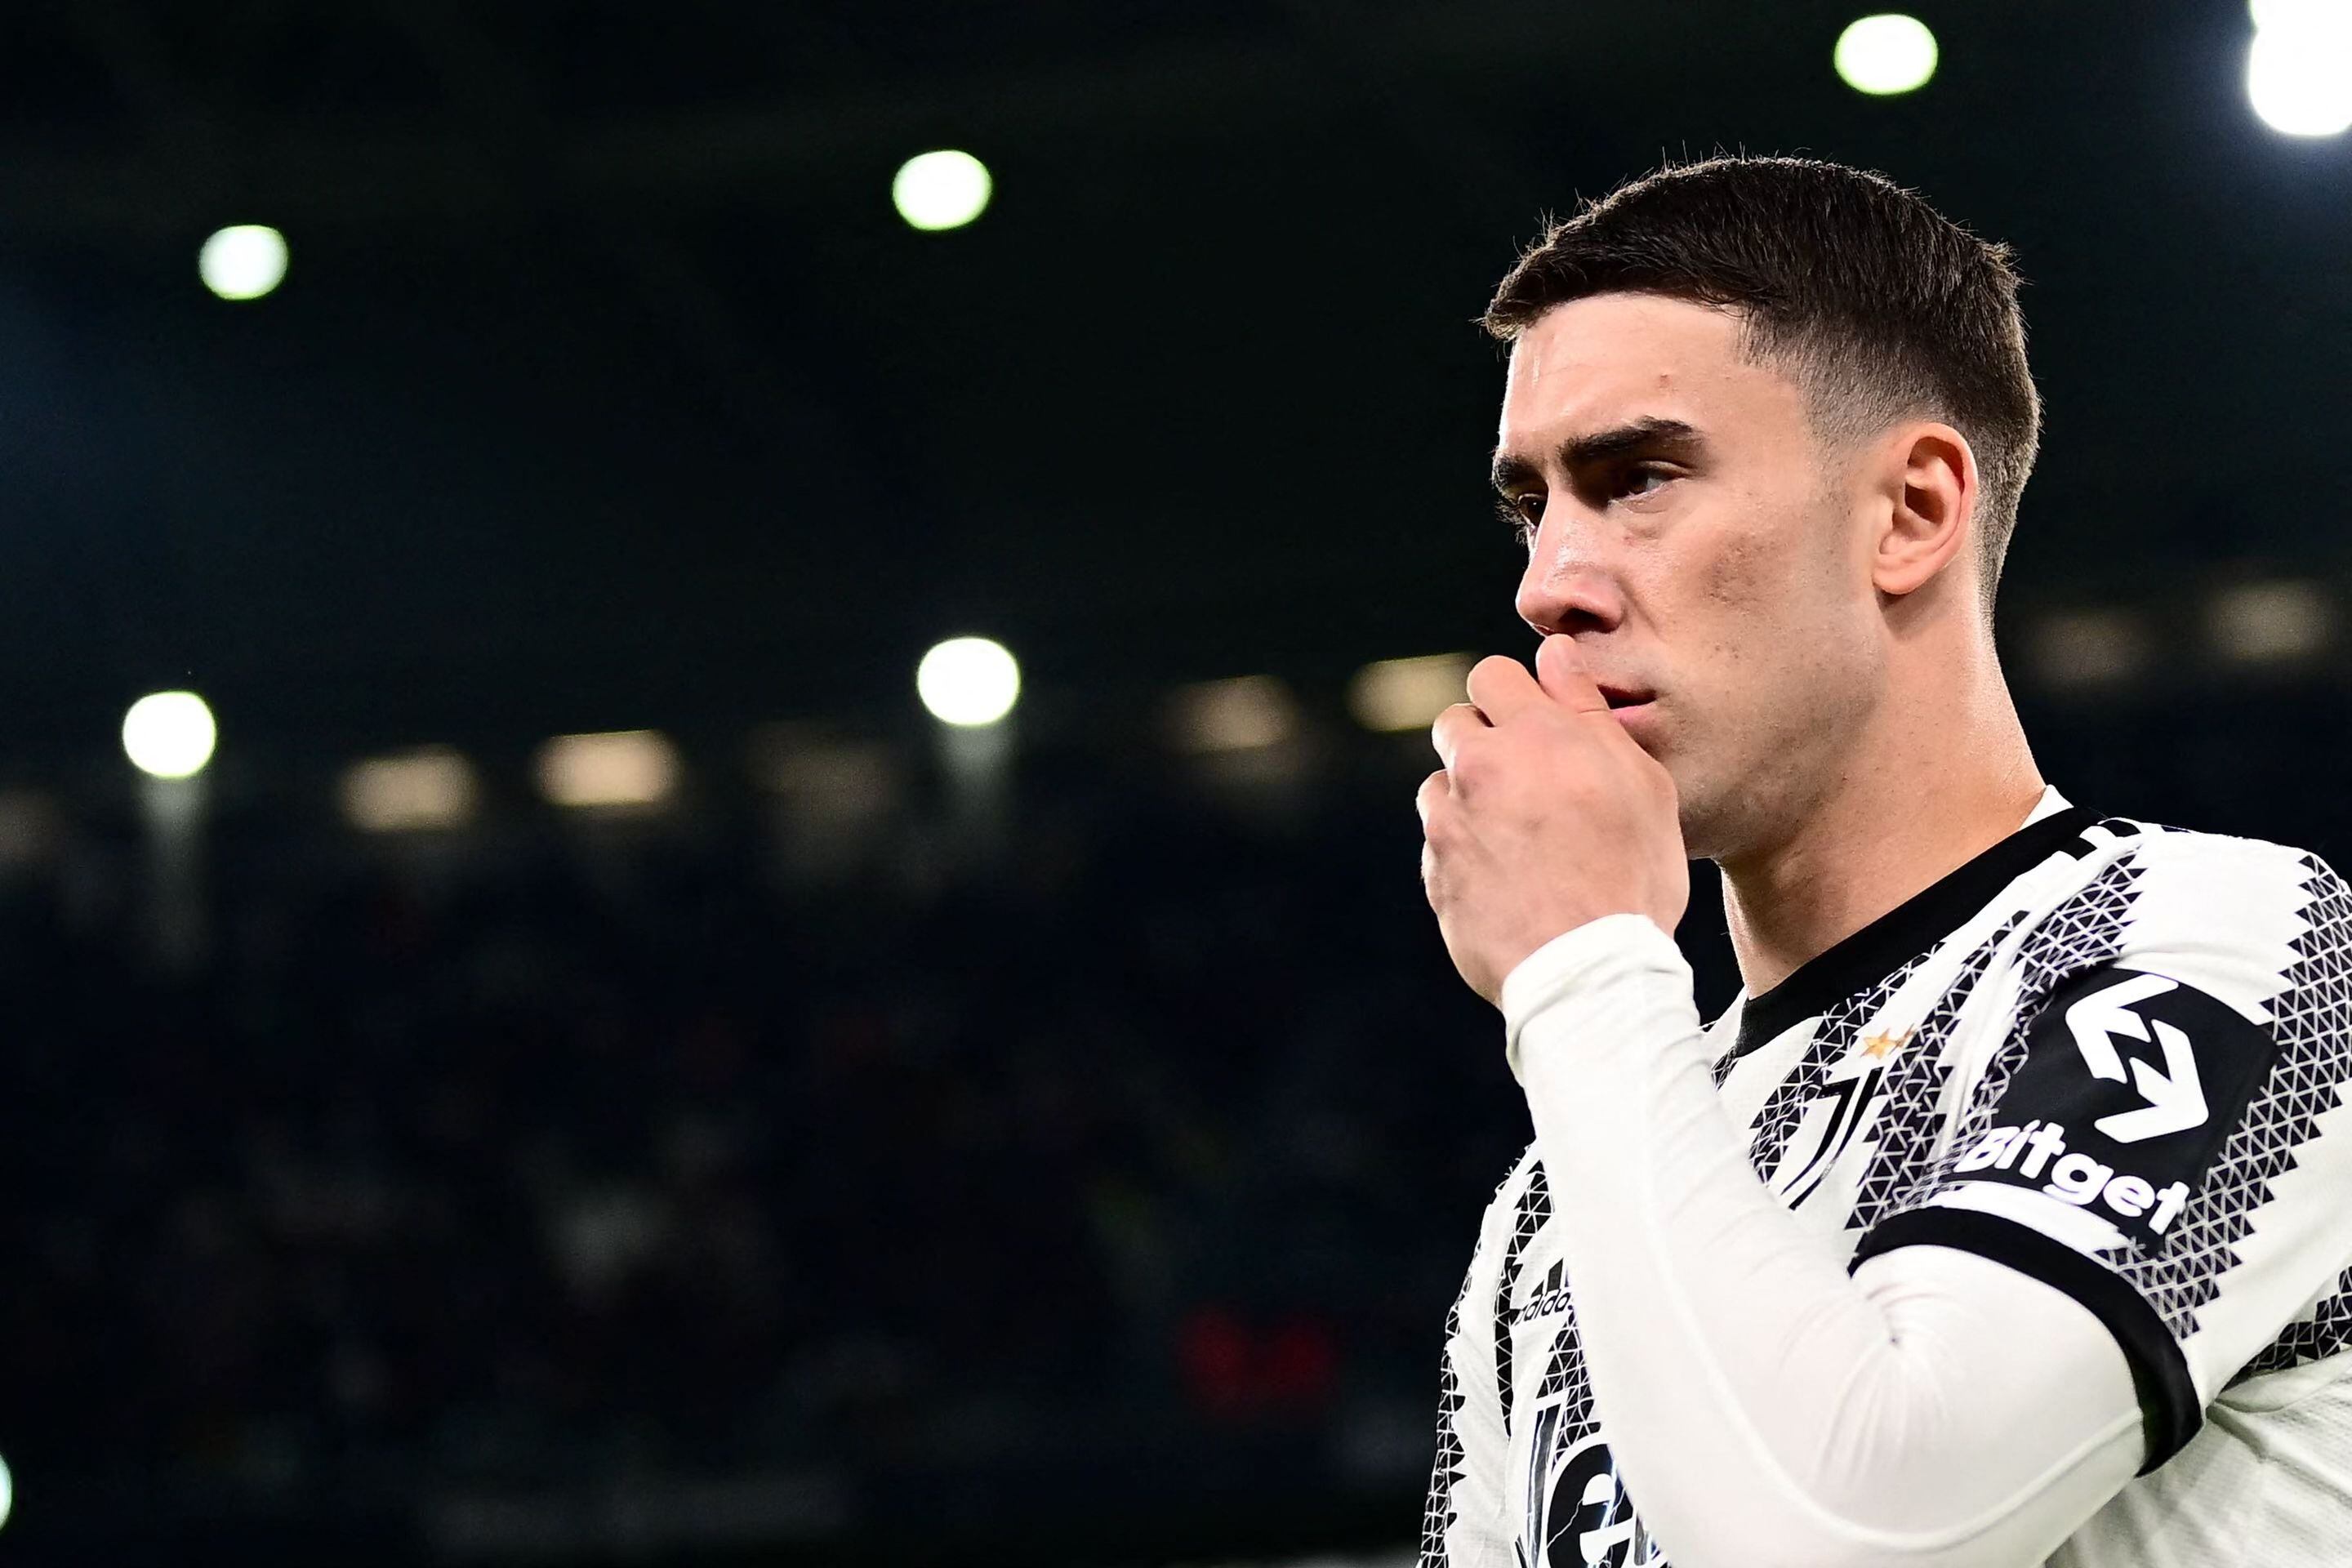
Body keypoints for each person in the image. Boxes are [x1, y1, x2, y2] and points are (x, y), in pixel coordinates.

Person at [1413, 154, 2352, 1567]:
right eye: (1532, 505)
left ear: (1911, 511)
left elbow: (1855, 1537)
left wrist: (1582, 967)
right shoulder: (1549, 1208)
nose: (1549, 581)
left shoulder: (2235, 944)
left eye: (1639, 478)